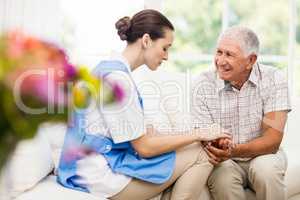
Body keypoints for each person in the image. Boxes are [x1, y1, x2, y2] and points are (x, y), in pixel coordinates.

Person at [57, 9, 229, 200]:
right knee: (200, 154)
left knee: (194, 148)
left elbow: (145, 133)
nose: (167, 57)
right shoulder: (117, 80)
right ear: (146, 41)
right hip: (98, 177)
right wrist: (199, 135)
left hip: (88, 169)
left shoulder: (110, 70)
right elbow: (144, 147)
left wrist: (198, 136)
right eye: (165, 48)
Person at [191, 26, 291, 200]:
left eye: (229, 54)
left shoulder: (274, 79)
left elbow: (272, 140)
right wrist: (218, 143)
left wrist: (234, 150)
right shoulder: (202, 84)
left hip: (264, 155)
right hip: (224, 161)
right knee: (223, 178)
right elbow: (204, 137)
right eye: (219, 52)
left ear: (250, 60)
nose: (220, 61)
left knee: (266, 171)